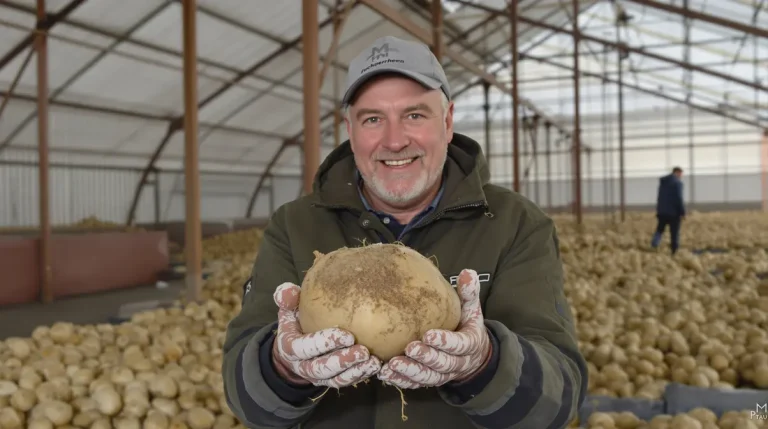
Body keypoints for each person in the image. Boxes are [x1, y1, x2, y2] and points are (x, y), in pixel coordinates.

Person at [221, 35, 587, 429]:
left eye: (414, 115)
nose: (395, 141)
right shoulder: (294, 226)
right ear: (350, 129)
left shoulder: (515, 223)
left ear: (447, 123)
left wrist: (482, 363)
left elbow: (558, 402)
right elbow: (245, 402)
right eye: (373, 119)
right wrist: (282, 366)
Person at [651, 166, 686, 255]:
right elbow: (679, 198)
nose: (681, 176)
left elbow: (659, 198)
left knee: (660, 229)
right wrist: (682, 212)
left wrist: (659, 210)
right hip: (673, 213)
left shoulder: (663, 183)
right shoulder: (677, 183)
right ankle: (674, 250)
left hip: (662, 212)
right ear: (677, 172)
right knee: (674, 232)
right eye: (681, 174)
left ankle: (654, 244)